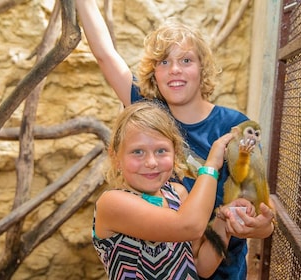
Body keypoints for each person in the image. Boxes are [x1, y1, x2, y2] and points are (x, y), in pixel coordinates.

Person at [76, 1, 275, 279]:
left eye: (186, 60)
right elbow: (105, 55)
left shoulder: (236, 128)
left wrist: (256, 224)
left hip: (220, 269)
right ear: (153, 73)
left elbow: (259, 216)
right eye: (164, 62)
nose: (175, 70)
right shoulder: (150, 117)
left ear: (202, 68)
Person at [93, 101, 253, 279]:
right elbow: (189, 226)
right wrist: (211, 165)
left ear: (175, 153)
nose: (152, 162)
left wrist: (223, 223)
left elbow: (201, 265)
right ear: (116, 158)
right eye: (138, 152)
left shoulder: (178, 194)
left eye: (161, 150)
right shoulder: (112, 203)